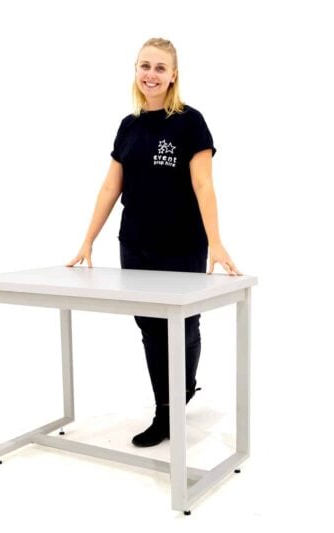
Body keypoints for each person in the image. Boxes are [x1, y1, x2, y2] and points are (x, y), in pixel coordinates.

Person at [66, 37, 242, 447]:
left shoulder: (190, 122)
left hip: (183, 245)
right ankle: (166, 411)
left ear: (174, 75)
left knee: (184, 325)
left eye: (160, 68)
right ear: (136, 71)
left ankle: (183, 389)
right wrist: (88, 239)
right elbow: (110, 187)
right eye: (145, 66)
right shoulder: (129, 126)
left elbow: (203, 185)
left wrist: (216, 242)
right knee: (149, 328)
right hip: (135, 245)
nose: (151, 74)